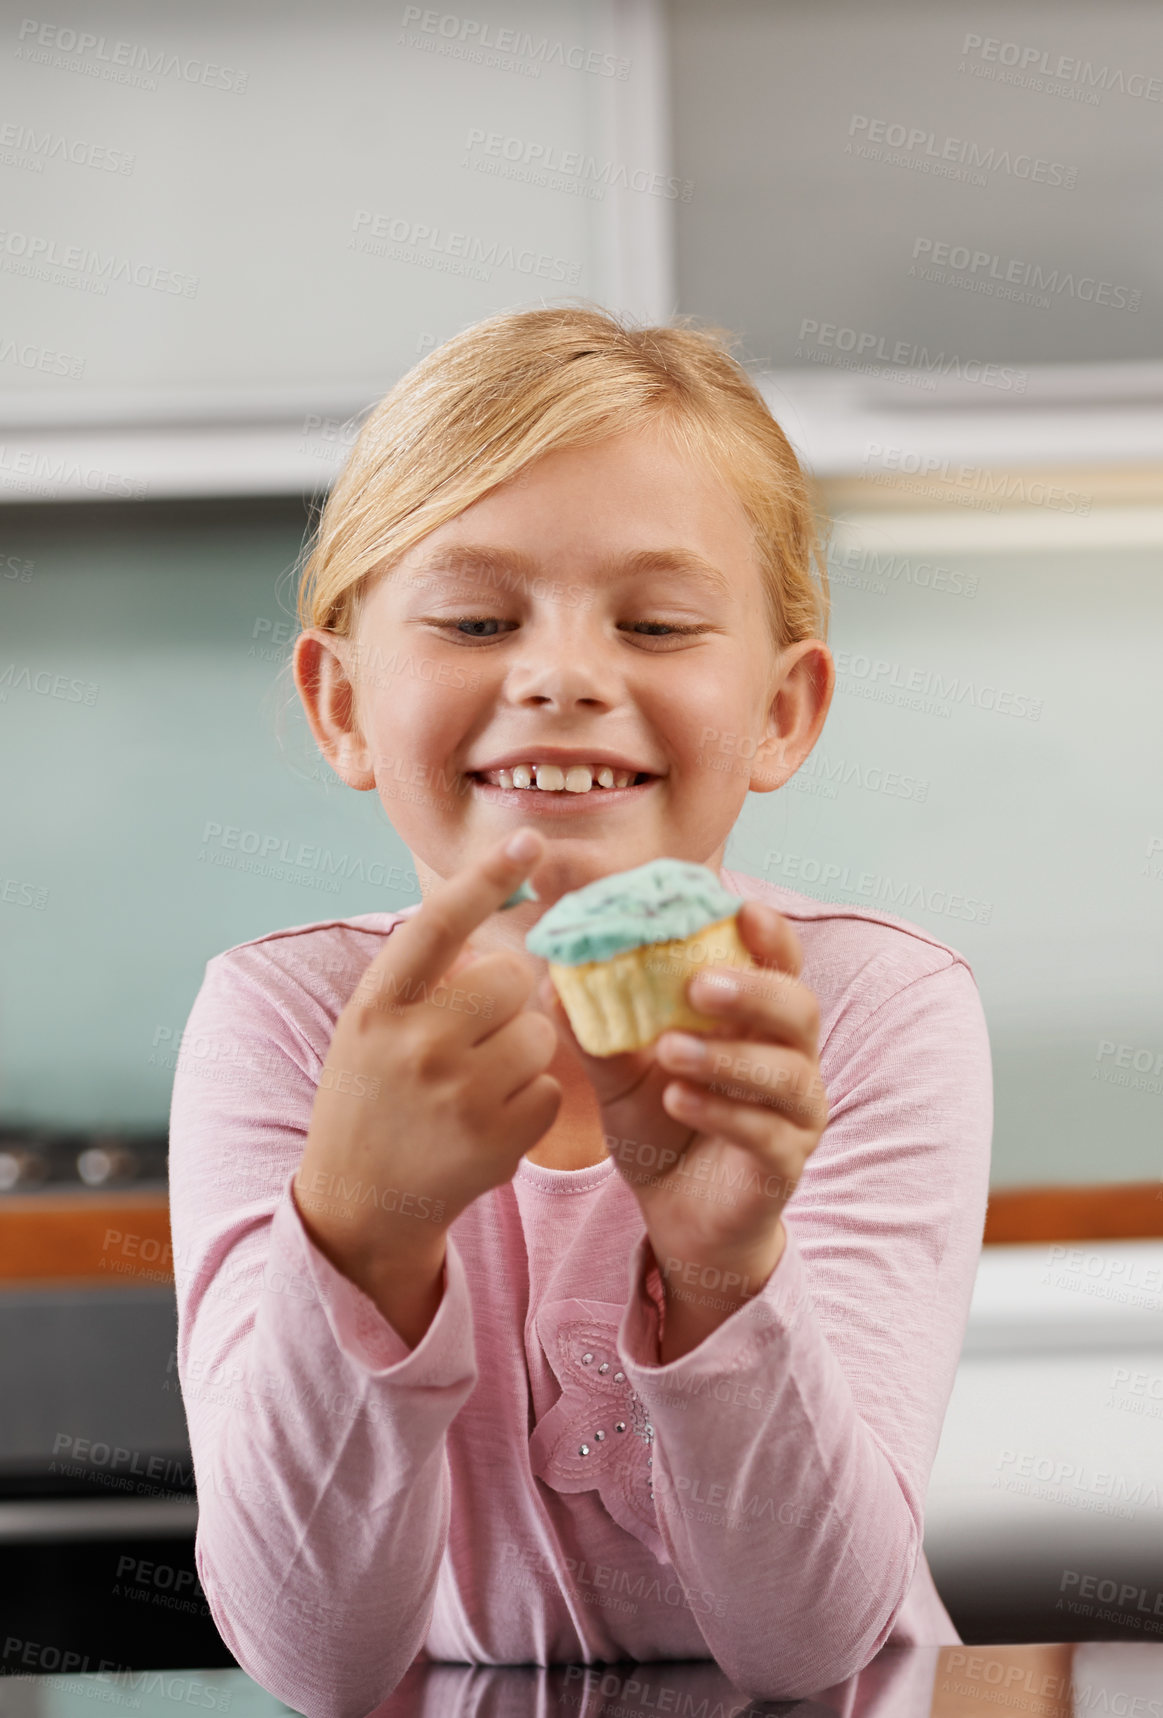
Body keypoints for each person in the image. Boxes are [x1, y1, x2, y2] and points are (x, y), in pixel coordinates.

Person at [167, 303, 993, 1718]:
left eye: (657, 622)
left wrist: (725, 1263)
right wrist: (360, 1230)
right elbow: (314, 1660)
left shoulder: (861, 1012)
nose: (561, 672)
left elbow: (807, 1650)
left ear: (783, 711)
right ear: (343, 702)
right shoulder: (286, 1023)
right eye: (479, 618)